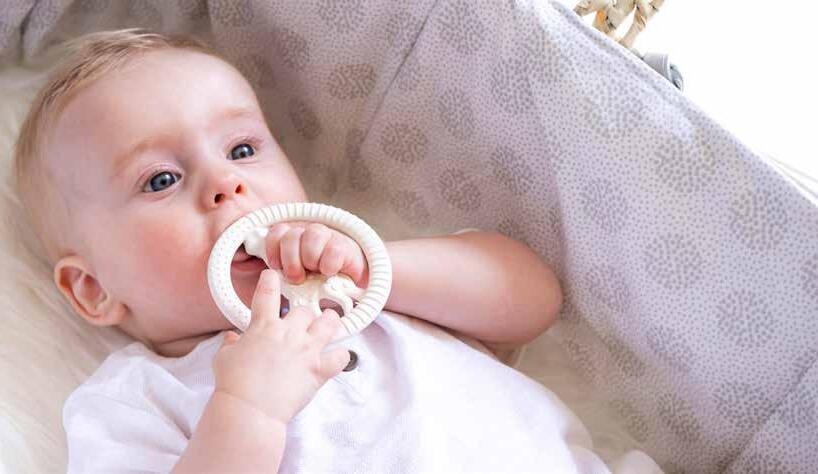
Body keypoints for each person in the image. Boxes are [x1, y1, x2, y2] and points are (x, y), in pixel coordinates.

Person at [12, 29, 659, 473]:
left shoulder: (364, 283)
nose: (226, 184)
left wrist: (375, 265)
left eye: (242, 149)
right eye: (160, 180)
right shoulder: (134, 399)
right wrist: (248, 410)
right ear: (94, 289)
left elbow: (533, 299)